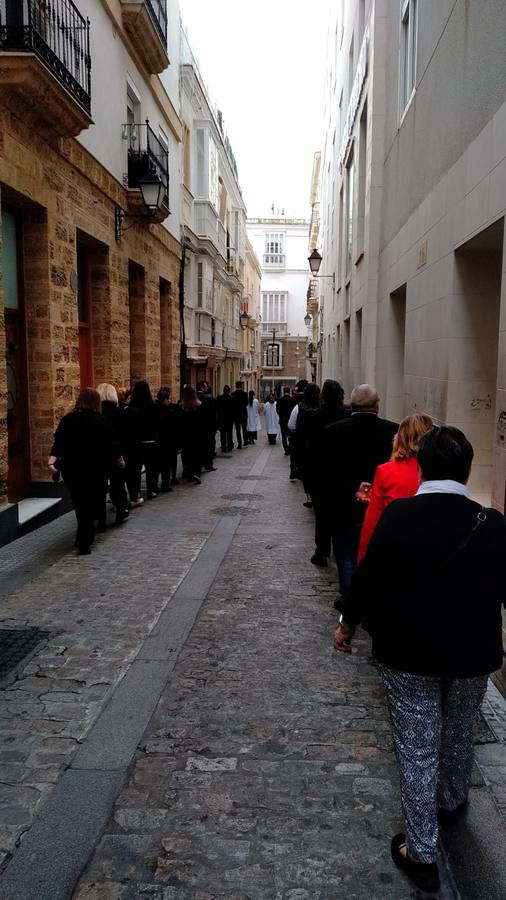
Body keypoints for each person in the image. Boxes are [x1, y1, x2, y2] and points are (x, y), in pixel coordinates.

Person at [333, 425, 506, 894]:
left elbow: (368, 579)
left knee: (417, 745)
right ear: (467, 470)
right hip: (472, 651)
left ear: (422, 465)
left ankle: (422, 849)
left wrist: (348, 624)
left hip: (408, 650)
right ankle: (451, 802)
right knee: (458, 730)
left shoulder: (401, 517)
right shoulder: (493, 523)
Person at [322, 384, 397, 609]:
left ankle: (350, 600)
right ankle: (374, 600)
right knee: (377, 556)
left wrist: (353, 487)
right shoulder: (393, 431)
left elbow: (326, 471)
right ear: (376, 405)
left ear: (352, 404)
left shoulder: (332, 431)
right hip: (381, 506)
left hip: (344, 505)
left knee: (346, 557)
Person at [48, 388, 122, 555]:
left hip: (73, 469)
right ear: (96, 402)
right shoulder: (101, 420)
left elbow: (58, 443)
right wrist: (119, 460)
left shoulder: (68, 420)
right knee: (91, 501)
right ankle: (84, 539)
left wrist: (52, 461)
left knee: (80, 503)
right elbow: (111, 443)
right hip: (96, 469)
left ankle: (83, 537)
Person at [357, 413, 433, 561]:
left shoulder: (386, 471)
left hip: (395, 551)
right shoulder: (440, 472)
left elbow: (372, 522)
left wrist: (363, 561)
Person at [303, 380, 350, 567]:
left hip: (319, 472)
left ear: (322, 395)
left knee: (321, 515)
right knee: (342, 513)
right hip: (343, 472)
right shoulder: (348, 415)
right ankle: (339, 548)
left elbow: (303, 442)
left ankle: (322, 551)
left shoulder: (310, 416)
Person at [96, 383, 130, 526]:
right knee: (118, 484)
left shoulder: (96, 414)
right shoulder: (121, 413)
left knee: (99, 488)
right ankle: (121, 510)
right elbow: (125, 435)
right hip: (117, 455)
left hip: (99, 456)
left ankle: (101, 519)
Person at [124, 380, 159, 502]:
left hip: (136, 443)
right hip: (151, 441)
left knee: (135, 470)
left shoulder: (131, 408)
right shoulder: (153, 406)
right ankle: (151, 490)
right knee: (151, 468)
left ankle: (136, 492)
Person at [294, 383, 321, 507]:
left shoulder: (301, 407)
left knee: (308, 472)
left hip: (306, 446)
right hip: (319, 446)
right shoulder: (322, 408)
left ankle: (309, 497)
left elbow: (293, 426)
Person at [155, 387, 183, 491]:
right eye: (168, 399)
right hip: (168, 442)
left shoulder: (154, 410)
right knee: (166, 465)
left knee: (158, 464)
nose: (169, 401)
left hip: (157, 442)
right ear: (164, 400)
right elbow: (174, 428)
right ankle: (165, 484)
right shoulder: (170, 412)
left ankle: (154, 484)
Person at [181, 385, 205, 484]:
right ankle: (197, 473)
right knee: (197, 454)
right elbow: (203, 421)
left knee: (187, 454)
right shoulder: (199, 405)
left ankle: (189, 474)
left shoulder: (182, 406)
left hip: (186, 434)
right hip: (197, 434)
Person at [197, 380, 217, 471]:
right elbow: (214, 413)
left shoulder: (194, 397)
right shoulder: (209, 398)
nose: (207, 388)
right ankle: (208, 465)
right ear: (202, 388)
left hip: (198, 427)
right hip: (209, 426)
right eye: (205, 386)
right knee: (209, 446)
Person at [276, 386, 296, 455]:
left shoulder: (280, 399)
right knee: (290, 435)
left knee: (283, 435)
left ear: (283, 391)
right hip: (290, 419)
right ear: (289, 391)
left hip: (282, 420)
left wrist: (281, 416)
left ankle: (286, 449)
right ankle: (290, 448)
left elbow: (277, 410)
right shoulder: (292, 399)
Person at [216, 384, 235, 453]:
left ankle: (223, 447)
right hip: (229, 419)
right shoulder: (232, 398)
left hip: (222, 419)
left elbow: (217, 409)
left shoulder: (219, 398)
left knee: (223, 434)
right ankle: (230, 446)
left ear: (223, 390)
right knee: (230, 433)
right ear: (229, 391)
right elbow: (233, 410)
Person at [231, 380, 248, 449]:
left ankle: (239, 444)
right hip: (243, 414)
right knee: (244, 428)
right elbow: (246, 403)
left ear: (235, 386)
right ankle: (245, 441)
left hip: (236, 415)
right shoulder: (244, 394)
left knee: (238, 430)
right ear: (241, 385)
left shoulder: (233, 394)